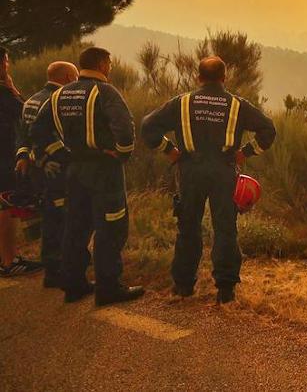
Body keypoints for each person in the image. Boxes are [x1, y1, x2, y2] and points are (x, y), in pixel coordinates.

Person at [139, 55, 277, 303]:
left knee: (188, 227)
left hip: (190, 170)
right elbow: (269, 130)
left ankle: (183, 286)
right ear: (224, 78)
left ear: (198, 77)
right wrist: (245, 153)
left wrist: (169, 150)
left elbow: (148, 126)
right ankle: (225, 290)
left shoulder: (181, 103)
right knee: (225, 228)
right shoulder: (237, 105)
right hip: (224, 170)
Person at [28, 46, 143, 304]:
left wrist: (60, 155)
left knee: (75, 226)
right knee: (111, 227)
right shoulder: (105, 92)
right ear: (102, 64)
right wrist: (121, 154)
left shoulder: (59, 95)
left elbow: (38, 130)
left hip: (74, 171)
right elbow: (125, 128)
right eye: (109, 64)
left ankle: (73, 285)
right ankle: (108, 288)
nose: (110, 69)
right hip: (104, 170)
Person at [15, 60, 79, 286]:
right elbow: (43, 135)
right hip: (55, 170)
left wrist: (23, 156)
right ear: (69, 78)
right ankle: (55, 268)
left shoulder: (32, 99)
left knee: (52, 214)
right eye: (76, 76)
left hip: (38, 168)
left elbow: (23, 134)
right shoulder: (55, 101)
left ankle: (60, 262)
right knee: (59, 216)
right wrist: (67, 157)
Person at [0, 45, 44, 278]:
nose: (7, 66)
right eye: (5, 61)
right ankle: (9, 262)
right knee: (5, 207)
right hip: (3, 155)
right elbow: (26, 112)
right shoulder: (4, 93)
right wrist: (13, 88)